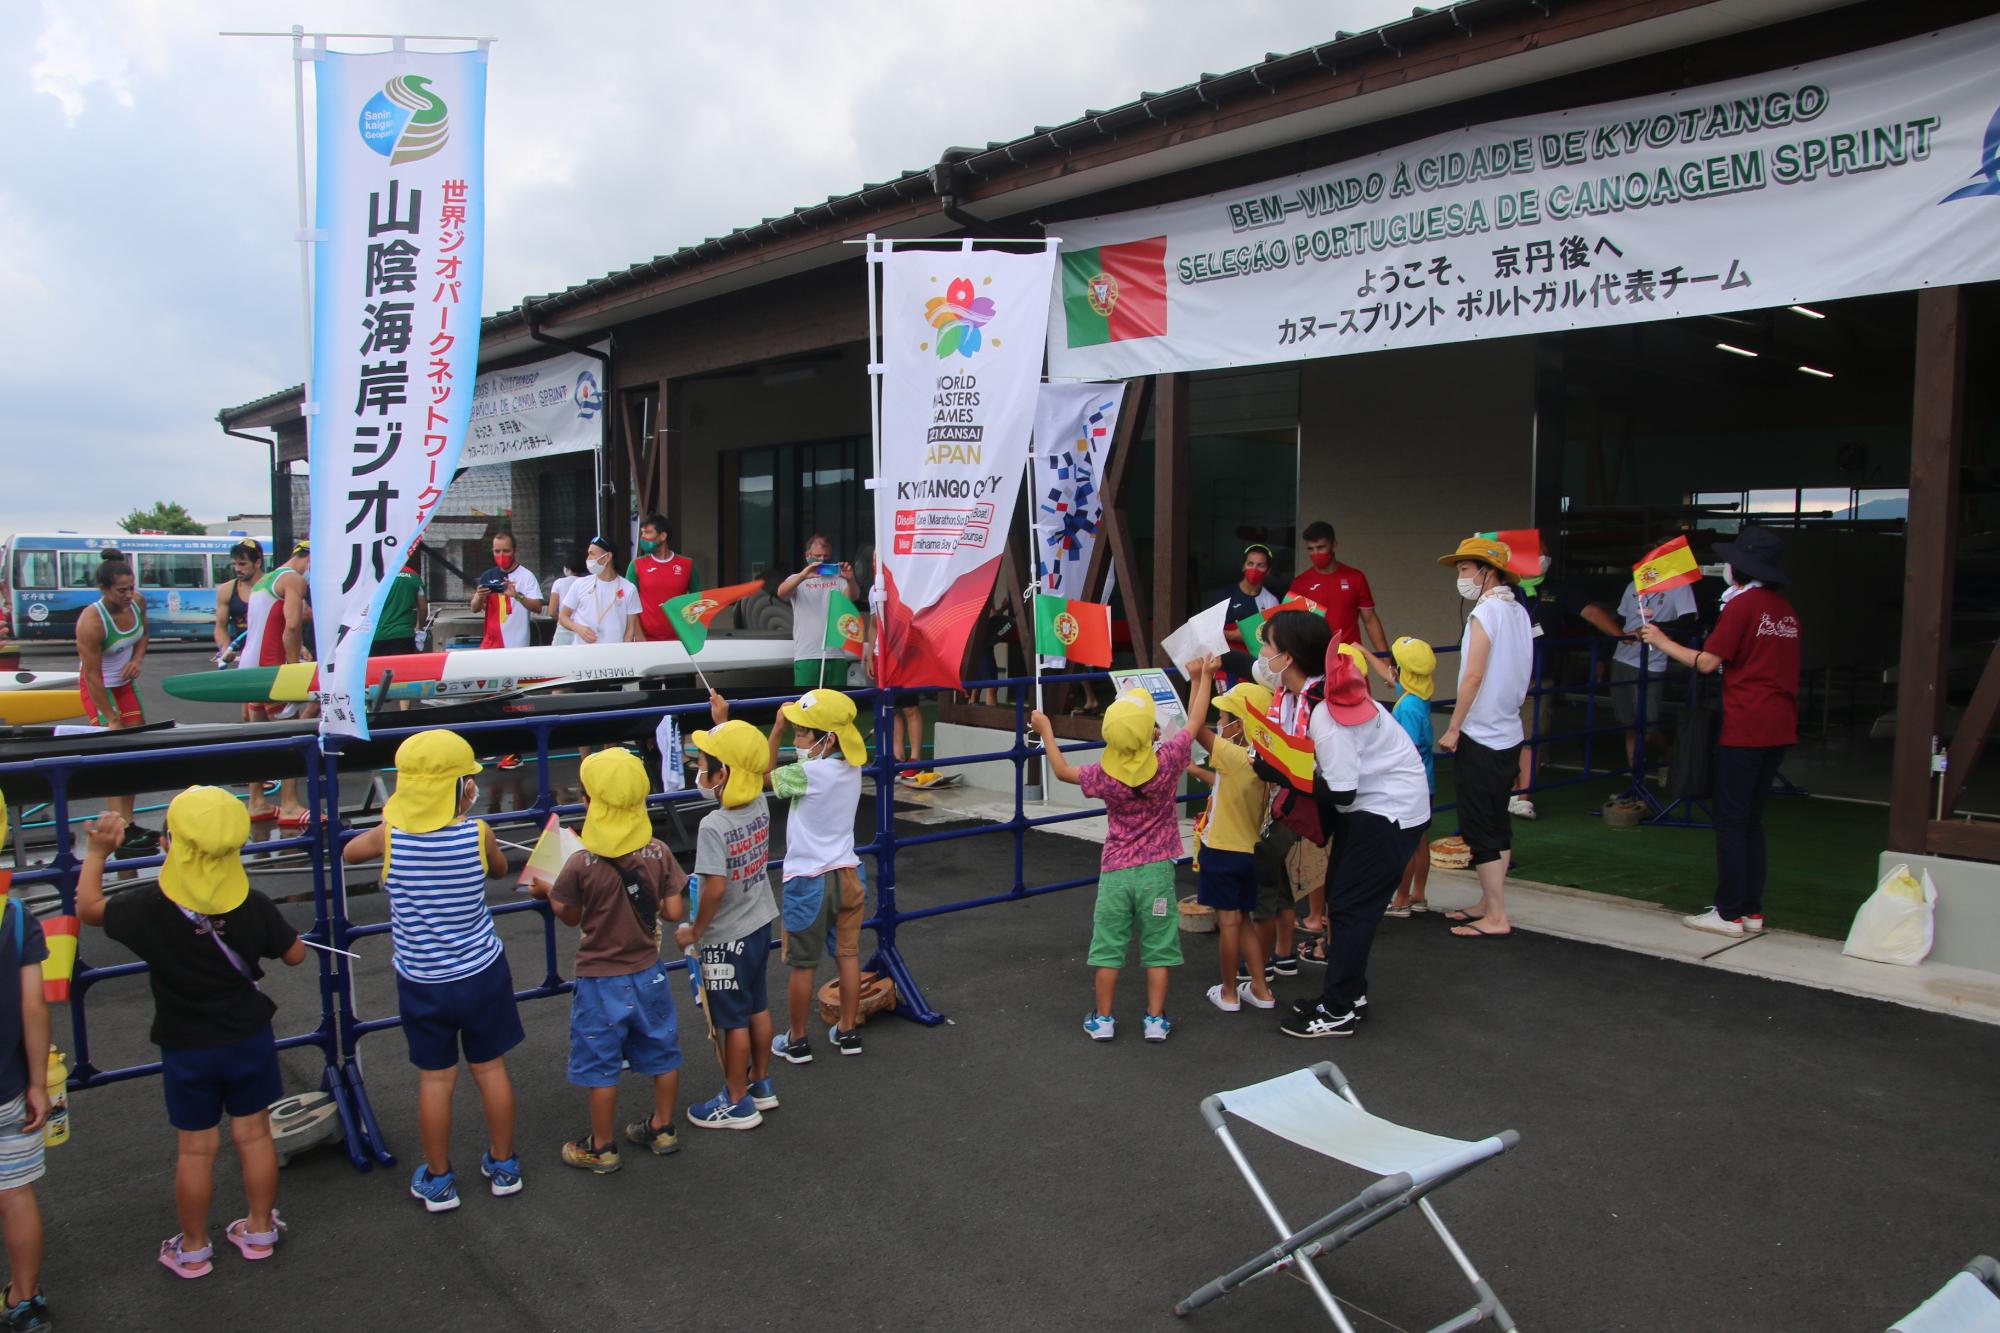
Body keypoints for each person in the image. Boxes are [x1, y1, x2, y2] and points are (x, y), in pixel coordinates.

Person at [77, 789, 307, 1278]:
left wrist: (97, 853)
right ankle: (261, 1228)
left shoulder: (147, 907)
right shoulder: (254, 903)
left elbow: (90, 908)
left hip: (186, 1043)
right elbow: (294, 955)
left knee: (196, 1150)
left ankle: (195, 1247)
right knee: (255, 1134)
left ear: (168, 844)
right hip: (247, 1035)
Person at [339, 731, 523, 1212]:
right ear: (462, 788)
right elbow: (499, 869)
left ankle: (439, 1177)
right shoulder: (477, 833)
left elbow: (349, 853)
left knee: (436, 1081)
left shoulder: (391, 838)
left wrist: (392, 820)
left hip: (423, 979)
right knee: (491, 1069)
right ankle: (503, 1164)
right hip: (482, 970)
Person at [1030, 657, 1217, 1043]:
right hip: (1157, 874)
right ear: (1149, 734)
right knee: (1159, 946)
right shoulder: (1167, 762)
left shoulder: (1103, 773)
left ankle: (1102, 1020)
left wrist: (1046, 730)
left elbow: (1063, 771)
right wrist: (1203, 677)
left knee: (1108, 947)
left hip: (1116, 872)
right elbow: (1194, 722)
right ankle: (1155, 1020)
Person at [529, 749, 688, 1174]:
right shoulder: (657, 852)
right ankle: (663, 1127)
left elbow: (570, 916)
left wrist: (546, 893)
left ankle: (601, 1147)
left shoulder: (581, 862)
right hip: (649, 972)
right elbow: (673, 913)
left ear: (588, 802)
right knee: (663, 1050)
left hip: (600, 980)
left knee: (600, 1063)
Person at [1637, 527, 1800, 937]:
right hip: (1779, 723)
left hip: (1746, 723)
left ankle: (1728, 912)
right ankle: (1750, 909)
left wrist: (1658, 639)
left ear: (1739, 568)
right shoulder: (1783, 610)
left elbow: (1708, 662)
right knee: (1751, 821)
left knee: (1730, 821)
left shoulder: (1743, 607)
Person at [1279, 648, 1433, 1039]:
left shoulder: (1328, 715)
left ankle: (1338, 1010)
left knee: (1351, 908)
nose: (1263, 655)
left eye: (1268, 647)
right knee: (1347, 905)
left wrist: (1280, 772)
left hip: (1386, 813)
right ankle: (1348, 995)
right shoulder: (1347, 704)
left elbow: (1342, 791)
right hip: (1385, 807)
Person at [677, 713, 781, 1129]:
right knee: (757, 1005)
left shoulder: (713, 825)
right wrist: (723, 722)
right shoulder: (757, 801)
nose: (699, 771)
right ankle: (761, 1083)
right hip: (759, 921)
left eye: (704, 765)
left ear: (724, 772)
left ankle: (735, 1100)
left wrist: (695, 931)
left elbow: (714, 888)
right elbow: (756, 762)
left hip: (725, 937)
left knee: (730, 1019)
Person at [758, 688, 869, 1062]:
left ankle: (798, 1039)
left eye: (802, 733)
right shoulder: (852, 768)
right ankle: (848, 1031)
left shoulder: (806, 773)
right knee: (848, 955)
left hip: (808, 879)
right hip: (849, 874)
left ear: (828, 739)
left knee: (803, 964)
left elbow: (761, 777)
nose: (796, 738)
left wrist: (773, 731)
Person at [1434, 536, 1534, 940]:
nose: (1460, 577)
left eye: (1464, 568)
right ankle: (1488, 902)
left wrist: (1454, 725)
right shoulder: (1518, 612)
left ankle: (1495, 914)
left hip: (1481, 731)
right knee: (1496, 821)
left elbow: (1472, 675)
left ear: (1487, 571)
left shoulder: (1486, 614)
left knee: (1480, 824)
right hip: (1509, 727)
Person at [1188, 681, 1277, 1014]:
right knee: (1244, 921)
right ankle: (1261, 989)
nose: (1219, 723)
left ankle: (1228, 992)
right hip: (1248, 851)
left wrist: (1201, 677)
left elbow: (1193, 727)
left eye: (1224, 716)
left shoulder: (1232, 754)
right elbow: (1227, 785)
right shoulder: (1260, 760)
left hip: (1222, 850)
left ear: (1240, 723)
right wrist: (1197, 771)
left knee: (1228, 925)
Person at [0, 798, 51, 1328]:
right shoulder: (16, 918)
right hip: (9, 1085)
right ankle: (24, 1299)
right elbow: (33, 1006)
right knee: (15, 1193)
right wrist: (37, 1082)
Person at [76, 557, 154, 852]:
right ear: (103, 589)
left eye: (130, 588)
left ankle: (129, 822)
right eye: (120, 590)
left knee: (135, 750)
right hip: (99, 689)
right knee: (114, 750)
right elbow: (92, 676)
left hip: (123, 685)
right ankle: (116, 828)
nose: (127, 595)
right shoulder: (91, 621)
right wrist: (110, 718)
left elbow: (144, 634)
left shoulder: (137, 602)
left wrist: (136, 659)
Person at [240, 542, 313, 826]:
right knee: (290, 739)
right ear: (308, 558)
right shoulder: (293, 579)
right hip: (271, 669)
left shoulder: (266, 580)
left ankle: (257, 801)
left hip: (250, 667)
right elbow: (292, 624)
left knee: (258, 739)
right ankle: (291, 805)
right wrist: (293, 666)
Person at [1612, 548, 1699, 772]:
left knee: (1647, 727)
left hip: (1652, 663)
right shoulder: (1634, 585)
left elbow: (1688, 622)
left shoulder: (1680, 587)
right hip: (1621, 659)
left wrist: (1654, 632)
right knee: (1629, 725)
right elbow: (1620, 620)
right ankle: (1635, 779)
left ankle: (1667, 752)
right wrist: (1605, 657)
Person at [1286, 522, 1394, 686]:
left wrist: (1386, 662)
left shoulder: (1355, 578)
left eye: (1321, 547)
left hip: (1350, 661)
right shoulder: (1300, 583)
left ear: (1334, 545)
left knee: (1359, 710)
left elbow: (1370, 620)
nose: (1316, 553)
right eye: (1311, 549)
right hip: (1315, 663)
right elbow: (1291, 628)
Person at [1385, 637, 1438, 917]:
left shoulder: (1405, 708)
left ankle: (1401, 899)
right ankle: (1419, 893)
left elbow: (1405, 747)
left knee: (1405, 841)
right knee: (1420, 840)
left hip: (1409, 783)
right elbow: (1398, 682)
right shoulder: (1421, 696)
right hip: (1427, 780)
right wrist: (1365, 654)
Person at [777, 534, 861, 690]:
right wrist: (803, 576)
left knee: (835, 704)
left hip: (835, 653)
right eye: (817, 556)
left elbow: (851, 598)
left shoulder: (838, 578)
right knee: (806, 703)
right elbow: (782, 593)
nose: (822, 560)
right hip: (806, 654)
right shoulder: (796, 579)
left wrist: (850, 579)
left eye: (826, 557)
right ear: (807, 555)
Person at [627, 515, 702, 643]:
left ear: (663, 536)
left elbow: (698, 602)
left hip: (680, 640)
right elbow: (629, 605)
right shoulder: (636, 565)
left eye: (648, 533)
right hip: (646, 640)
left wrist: (692, 634)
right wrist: (638, 635)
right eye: (642, 533)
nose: (643, 538)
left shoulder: (687, 564)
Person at [558, 537, 643, 647]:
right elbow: (563, 617)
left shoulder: (628, 588)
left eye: (592, 554)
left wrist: (624, 653)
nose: (588, 558)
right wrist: (578, 628)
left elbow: (631, 630)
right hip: (582, 654)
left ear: (607, 557)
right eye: (588, 554)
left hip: (613, 655)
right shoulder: (580, 584)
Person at [1216, 545, 1280, 687]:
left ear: (1268, 570)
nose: (1254, 569)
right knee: (1225, 707)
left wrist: (1247, 634)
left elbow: (1273, 634)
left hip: (1257, 667)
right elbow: (1207, 630)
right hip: (1226, 666)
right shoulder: (1223, 597)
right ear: (1243, 566)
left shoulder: (1271, 600)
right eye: (1250, 564)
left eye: (1260, 565)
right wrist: (1231, 635)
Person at [470, 531, 544, 651]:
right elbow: (474, 608)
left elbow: (537, 607)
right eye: (497, 551)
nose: (501, 555)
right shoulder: (488, 575)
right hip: (491, 642)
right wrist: (479, 596)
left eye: (506, 551)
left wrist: (517, 596)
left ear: (515, 551)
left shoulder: (526, 576)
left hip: (517, 644)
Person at [212, 540, 262, 666]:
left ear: (257, 563)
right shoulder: (227, 590)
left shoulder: (275, 586)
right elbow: (220, 626)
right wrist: (225, 649)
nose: (237, 569)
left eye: (242, 564)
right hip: (246, 656)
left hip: (272, 653)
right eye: (234, 564)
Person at [371, 561, 428, 658]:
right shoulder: (413, 576)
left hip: (376, 635)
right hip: (403, 634)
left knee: (377, 671)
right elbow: (423, 608)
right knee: (401, 671)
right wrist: (420, 627)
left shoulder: (376, 576)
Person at [546, 561, 583, 647]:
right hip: (583, 628)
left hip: (563, 628)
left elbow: (551, 612)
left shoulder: (559, 583)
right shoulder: (586, 583)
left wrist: (562, 618)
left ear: (566, 568)